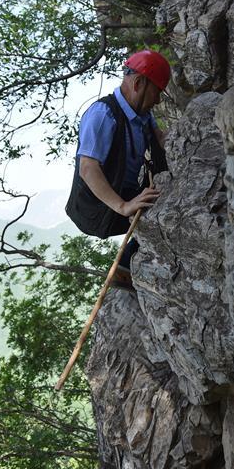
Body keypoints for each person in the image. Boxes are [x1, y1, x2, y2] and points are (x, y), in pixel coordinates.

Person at [65, 49, 171, 290]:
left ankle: (128, 265)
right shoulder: (103, 115)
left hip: (125, 191)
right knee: (153, 210)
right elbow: (88, 168)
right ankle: (126, 268)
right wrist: (124, 206)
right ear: (138, 83)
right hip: (100, 207)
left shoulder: (142, 113)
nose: (158, 100)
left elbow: (160, 140)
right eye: (157, 91)